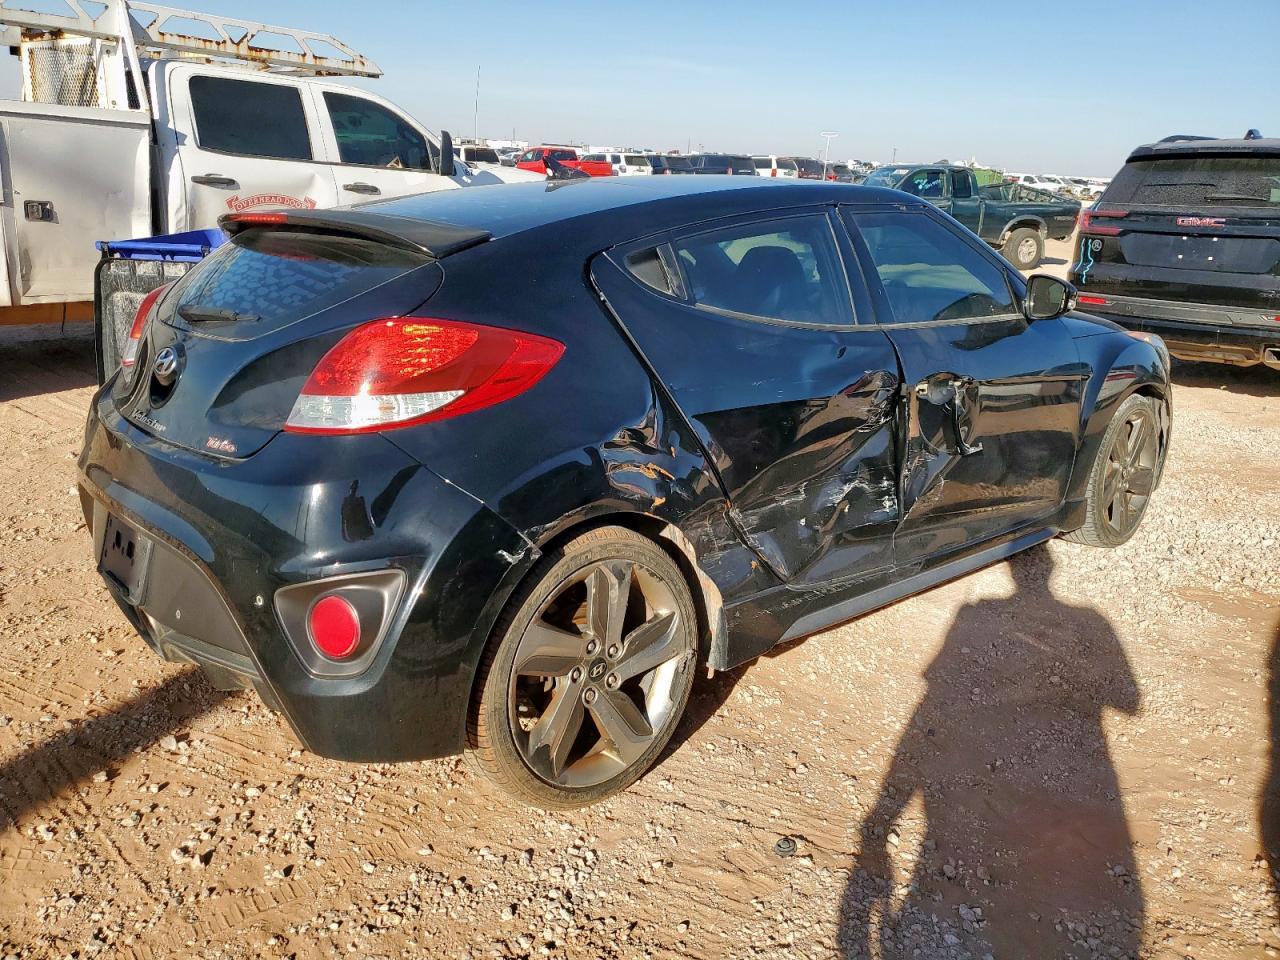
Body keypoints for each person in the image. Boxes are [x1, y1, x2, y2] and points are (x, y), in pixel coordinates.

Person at [840, 547, 1145, 958]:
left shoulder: (974, 612)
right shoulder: (1089, 621)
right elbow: (1129, 701)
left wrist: (883, 814)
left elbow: (936, 685)